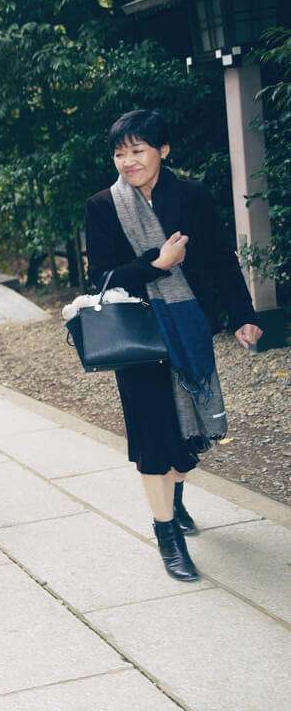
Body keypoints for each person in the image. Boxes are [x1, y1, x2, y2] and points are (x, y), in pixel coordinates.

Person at [85, 109, 262, 581]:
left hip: (188, 328)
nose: (127, 162)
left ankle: (176, 498)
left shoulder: (192, 197)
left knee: (187, 440)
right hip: (137, 337)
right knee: (153, 438)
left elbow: (222, 259)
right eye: (120, 153)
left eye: (137, 151)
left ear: (163, 150)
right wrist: (157, 264)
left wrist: (243, 315)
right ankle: (168, 535)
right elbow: (100, 277)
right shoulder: (103, 206)